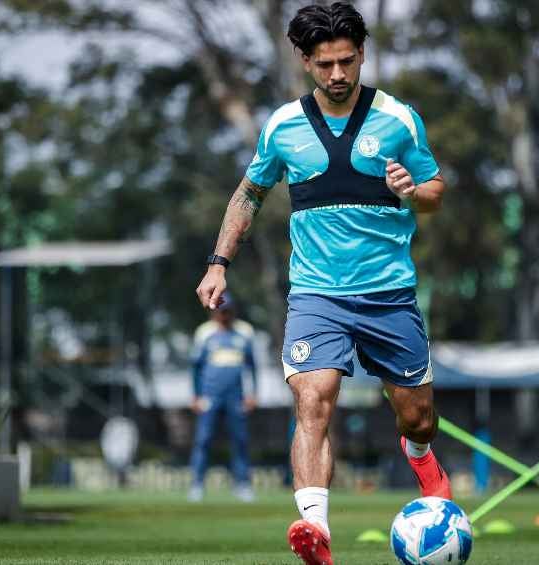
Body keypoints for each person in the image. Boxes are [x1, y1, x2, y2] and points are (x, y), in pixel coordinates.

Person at [195, 3, 451, 563]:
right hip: (316, 295)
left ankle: (421, 455)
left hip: (389, 294)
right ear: (304, 61)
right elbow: (249, 194)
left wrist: (413, 189)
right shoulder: (283, 126)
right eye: (325, 63)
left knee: (418, 417)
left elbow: (436, 193)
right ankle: (316, 530)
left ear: (362, 55)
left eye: (348, 61)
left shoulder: (399, 119)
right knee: (313, 399)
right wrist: (218, 262)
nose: (338, 74)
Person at [186, 292, 258, 503]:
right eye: (221, 311)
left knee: (240, 440)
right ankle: (197, 485)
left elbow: (252, 367)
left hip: (236, 395)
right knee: (203, 439)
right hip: (210, 395)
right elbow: (195, 368)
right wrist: (196, 395)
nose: (224, 315)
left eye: (227, 311)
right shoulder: (205, 333)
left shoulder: (244, 332)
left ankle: (243, 485)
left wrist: (253, 394)